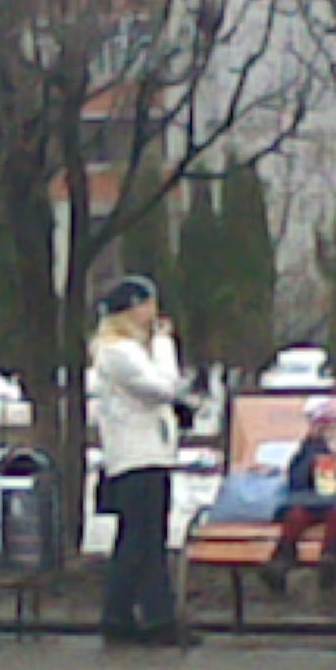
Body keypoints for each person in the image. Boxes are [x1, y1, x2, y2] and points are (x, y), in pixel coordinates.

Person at [90, 274, 190, 647]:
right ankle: (141, 616)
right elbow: (162, 387)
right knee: (140, 539)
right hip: (137, 456)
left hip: (150, 453)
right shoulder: (118, 352)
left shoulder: (131, 350)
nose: (154, 313)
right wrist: (164, 345)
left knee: (145, 539)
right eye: (147, 304)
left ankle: (137, 615)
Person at [257, 397, 336, 595]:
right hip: (311, 498)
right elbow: (295, 481)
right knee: (296, 514)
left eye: (329, 423)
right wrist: (311, 466)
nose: (326, 429)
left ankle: (331, 555)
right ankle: (282, 557)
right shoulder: (309, 446)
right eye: (319, 424)